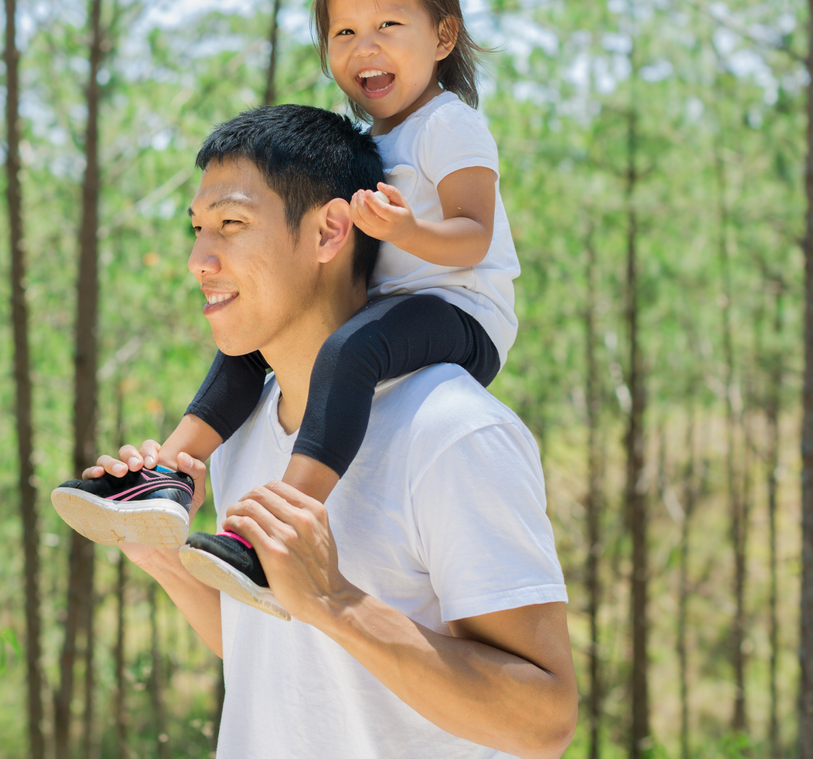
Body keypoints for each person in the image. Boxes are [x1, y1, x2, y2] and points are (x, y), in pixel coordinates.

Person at [81, 104, 577, 756]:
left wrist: (338, 603)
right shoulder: (242, 433)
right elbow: (267, 645)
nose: (200, 261)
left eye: (231, 225)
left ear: (328, 233)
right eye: (197, 230)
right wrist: (163, 556)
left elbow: (543, 722)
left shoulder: (452, 432)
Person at [52, 0, 520, 607]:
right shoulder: (368, 143)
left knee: (352, 348)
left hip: (460, 314)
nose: (366, 48)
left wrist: (408, 229)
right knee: (253, 344)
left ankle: (280, 530)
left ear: (444, 36)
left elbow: (474, 237)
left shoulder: (450, 124)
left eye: (389, 25)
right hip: (386, 307)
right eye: (344, 32)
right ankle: (167, 474)